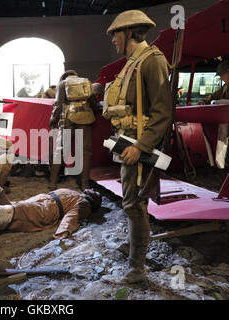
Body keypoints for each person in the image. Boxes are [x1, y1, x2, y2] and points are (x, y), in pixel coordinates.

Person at [102, 10, 172, 283]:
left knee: (134, 204)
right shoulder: (133, 62)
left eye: (115, 34)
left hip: (138, 148)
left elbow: (162, 111)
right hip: (127, 143)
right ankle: (135, 252)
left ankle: (137, 268)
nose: (112, 40)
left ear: (128, 32)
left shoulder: (151, 61)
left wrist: (142, 146)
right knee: (131, 203)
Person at [0, 185, 102, 240]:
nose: (93, 189)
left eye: (95, 193)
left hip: (43, 211)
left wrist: (63, 232)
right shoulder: (74, 192)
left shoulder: (84, 204)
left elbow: (72, 217)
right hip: (37, 202)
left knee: (11, 212)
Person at [48, 70, 100, 191]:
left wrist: (52, 117)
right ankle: (84, 184)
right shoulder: (86, 82)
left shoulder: (62, 84)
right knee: (85, 151)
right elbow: (93, 103)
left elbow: (58, 103)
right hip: (86, 117)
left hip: (67, 118)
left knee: (60, 150)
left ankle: (52, 183)